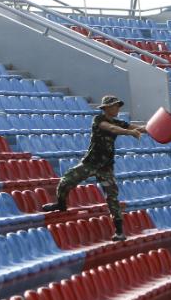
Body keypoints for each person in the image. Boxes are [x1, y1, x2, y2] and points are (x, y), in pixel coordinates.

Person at [41, 95, 147, 242]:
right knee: (66, 180)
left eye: (118, 106)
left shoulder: (118, 122)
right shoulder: (99, 120)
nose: (117, 108)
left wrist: (151, 128)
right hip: (90, 163)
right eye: (114, 106)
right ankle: (61, 204)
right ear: (106, 108)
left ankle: (119, 231)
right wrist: (131, 133)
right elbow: (111, 128)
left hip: (105, 167)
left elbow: (136, 127)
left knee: (112, 197)